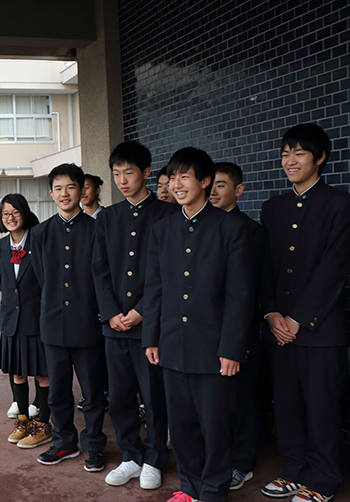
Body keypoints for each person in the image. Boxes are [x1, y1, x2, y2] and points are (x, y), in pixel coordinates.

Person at [143, 147, 252, 502]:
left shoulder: (231, 228)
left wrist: (232, 349)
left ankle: (213, 489)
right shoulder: (162, 229)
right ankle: (189, 486)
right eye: (172, 177)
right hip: (173, 344)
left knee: (215, 426)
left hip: (215, 348)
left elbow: (240, 296)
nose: (176, 184)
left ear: (205, 181)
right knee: (184, 425)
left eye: (184, 177)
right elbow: (154, 289)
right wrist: (152, 338)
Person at [260, 124, 350, 502]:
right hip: (279, 327)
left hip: (321, 328)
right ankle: (294, 469)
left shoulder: (340, 204)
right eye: (285, 153)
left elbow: (334, 267)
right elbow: (263, 267)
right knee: (288, 405)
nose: (289, 160)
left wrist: (297, 318)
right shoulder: (273, 207)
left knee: (322, 406)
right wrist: (271, 314)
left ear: (320, 158)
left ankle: (326, 477)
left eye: (298, 153)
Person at [93, 141, 177, 490]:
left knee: (154, 395)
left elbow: (169, 272)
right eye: (116, 174)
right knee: (121, 395)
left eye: (129, 172)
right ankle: (130, 454)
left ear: (146, 172)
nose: (122, 180)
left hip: (151, 326)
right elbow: (99, 269)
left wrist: (142, 311)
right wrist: (112, 312)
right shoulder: (108, 217)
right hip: (115, 328)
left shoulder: (168, 215)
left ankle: (155, 457)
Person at [31, 163, 107, 471]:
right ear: (51, 193)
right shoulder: (40, 233)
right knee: (58, 393)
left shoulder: (97, 228)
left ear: (82, 191)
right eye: (58, 188)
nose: (65, 194)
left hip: (88, 324)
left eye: (71, 187)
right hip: (52, 325)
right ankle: (65, 444)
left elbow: (102, 276)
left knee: (92, 393)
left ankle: (94, 446)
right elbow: (41, 278)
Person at [210, 162, 266, 491]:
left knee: (242, 400)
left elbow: (252, 286)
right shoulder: (202, 226)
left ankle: (241, 463)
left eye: (221, 185)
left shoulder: (250, 230)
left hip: (242, 330)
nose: (214, 191)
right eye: (211, 185)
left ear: (239, 190)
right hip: (206, 333)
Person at [0, 194, 52, 449]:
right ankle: (23, 421)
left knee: (42, 374)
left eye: (15, 212)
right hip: (11, 321)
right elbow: (3, 283)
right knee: (17, 373)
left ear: (24, 213)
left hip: (37, 319)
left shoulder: (39, 240)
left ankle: (44, 425)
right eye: (5, 213)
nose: (10, 217)